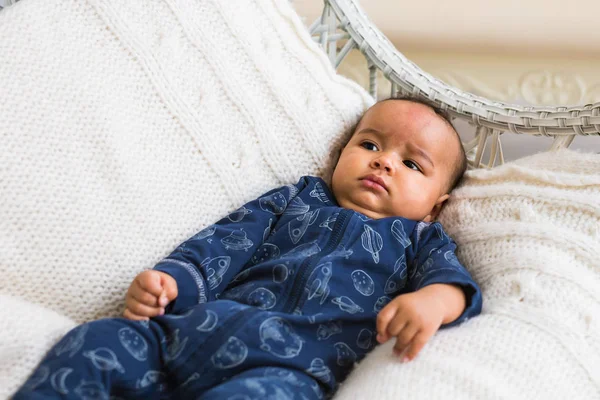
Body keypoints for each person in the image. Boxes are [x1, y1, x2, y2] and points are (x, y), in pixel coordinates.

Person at [14, 97, 482, 400]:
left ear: (434, 206)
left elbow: (453, 285)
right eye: (370, 143)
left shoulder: (419, 239)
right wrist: (170, 283)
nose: (384, 161)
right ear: (342, 152)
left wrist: (431, 302)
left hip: (286, 373)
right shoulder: (296, 199)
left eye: (412, 164)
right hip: (184, 337)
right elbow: (225, 242)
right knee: (96, 340)